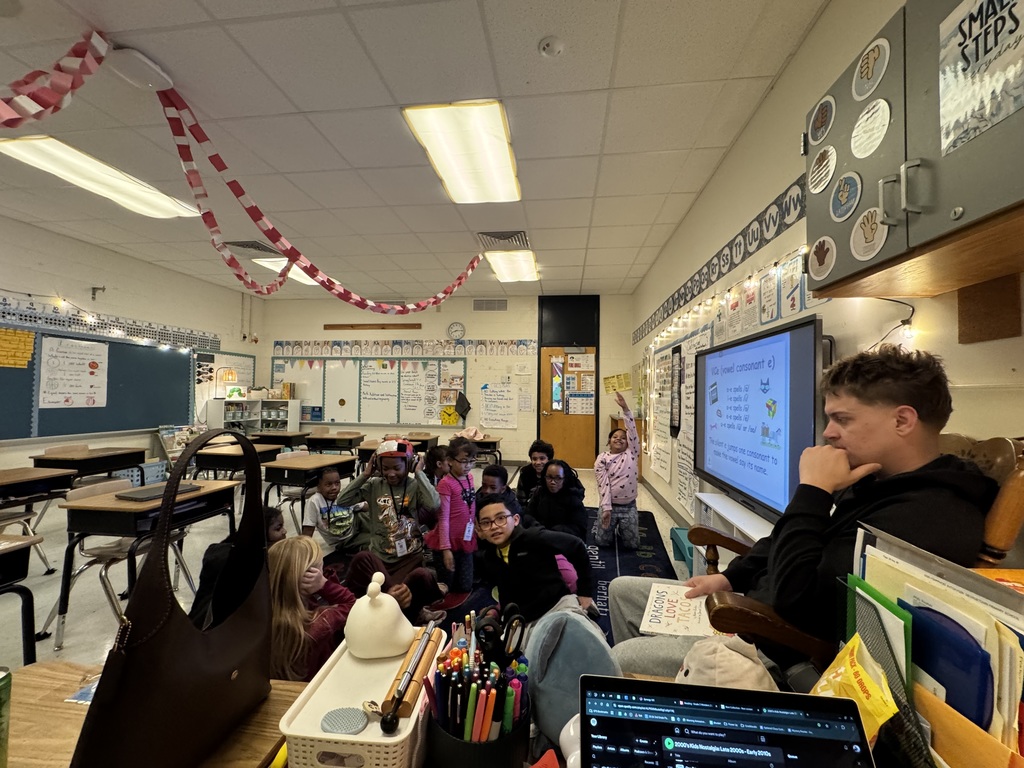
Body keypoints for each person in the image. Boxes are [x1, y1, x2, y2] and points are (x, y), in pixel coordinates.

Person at [609, 345, 999, 677]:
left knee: (616, 659)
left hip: (772, 649)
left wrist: (812, 492)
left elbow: (798, 601)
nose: (828, 432)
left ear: (902, 420)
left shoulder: (930, 514)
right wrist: (730, 577)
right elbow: (787, 540)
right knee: (622, 590)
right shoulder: (873, 481)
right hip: (751, 606)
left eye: (842, 419)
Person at [336, 439, 446, 622]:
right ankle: (403, 603)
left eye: (396, 468)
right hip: (380, 557)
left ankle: (402, 604)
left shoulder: (415, 486)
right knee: (364, 559)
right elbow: (342, 501)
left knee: (423, 576)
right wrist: (365, 474)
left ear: (409, 464)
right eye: (385, 468)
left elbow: (434, 504)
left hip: (409, 557)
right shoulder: (373, 485)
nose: (391, 473)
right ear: (378, 465)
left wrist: (419, 473)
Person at [475, 494, 596, 625]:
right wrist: (500, 613)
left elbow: (576, 546)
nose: (494, 526)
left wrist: (585, 592)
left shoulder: (533, 538)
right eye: (486, 523)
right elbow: (506, 592)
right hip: (525, 619)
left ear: (515, 520)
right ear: (480, 529)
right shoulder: (491, 557)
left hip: (556, 607)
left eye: (500, 518)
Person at [268, 536, 356, 681]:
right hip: (321, 686)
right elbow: (353, 605)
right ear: (310, 577)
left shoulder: (264, 616)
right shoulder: (319, 621)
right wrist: (324, 585)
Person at [189, 504, 287, 629]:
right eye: (278, 528)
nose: (284, 531)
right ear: (260, 533)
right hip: (216, 629)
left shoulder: (236, 548)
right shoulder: (247, 560)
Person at [425, 437, 478, 593]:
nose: (468, 466)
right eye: (463, 461)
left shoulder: (470, 477)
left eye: (471, 461)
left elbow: (471, 505)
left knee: (465, 586)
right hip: (447, 541)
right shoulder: (445, 483)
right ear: (449, 461)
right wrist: (446, 549)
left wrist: (474, 525)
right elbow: (443, 518)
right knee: (447, 586)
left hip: (465, 538)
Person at [592, 391, 640, 550]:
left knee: (632, 545)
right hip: (610, 505)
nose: (619, 438)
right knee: (602, 543)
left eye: (623, 437)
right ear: (609, 442)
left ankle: (623, 530)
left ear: (628, 443)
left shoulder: (631, 453)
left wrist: (626, 409)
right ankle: (610, 526)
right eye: (615, 437)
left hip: (629, 506)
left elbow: (632, 430)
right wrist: (606, 509)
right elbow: (603, 485)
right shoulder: (602, 459)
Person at [301, 466, 364, 564]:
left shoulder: (343, 496)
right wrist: (303, 556)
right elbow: (307, 532)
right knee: (373, 542)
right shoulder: (315, 501)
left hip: (356, 533)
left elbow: (366, 506)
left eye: (337, 483)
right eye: (328, 484)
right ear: (318, 486)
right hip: (342, 543)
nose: (334, 488)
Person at [526, 459, 588, 540]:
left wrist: (553, 532)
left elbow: (579, 528)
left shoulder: (573, 498)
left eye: (558, 478)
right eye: (549, 477)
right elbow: (528, 514)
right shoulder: (539, 493)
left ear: (564, 479)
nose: (552, 482)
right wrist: (537, 527)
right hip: (540, 535)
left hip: (563, 539)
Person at [516, 439, 554, 505]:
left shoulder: (556, 472)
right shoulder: (525, 473)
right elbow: (521, 501)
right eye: (534, 459)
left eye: (542, 458)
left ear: (549, 459)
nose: (538, 462)